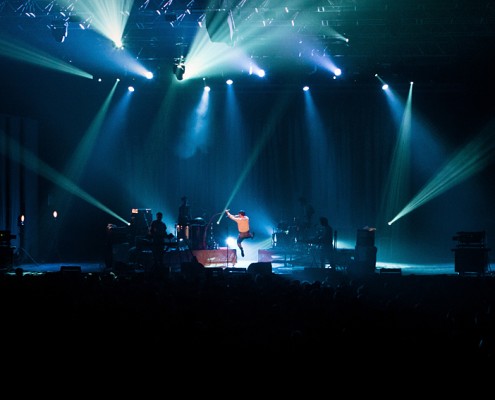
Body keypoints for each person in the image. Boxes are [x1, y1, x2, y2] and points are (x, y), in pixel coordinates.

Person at [148, 211, 169, 277]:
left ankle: (159, 269)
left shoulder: (162, 224)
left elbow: (164, 233)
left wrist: (167, 236)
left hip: (160, 241)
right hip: (156, 241)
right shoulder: (154, 223)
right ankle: (156, 269)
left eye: (160, 216)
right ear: (157, 216)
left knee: (160, 256)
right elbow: (151, 232)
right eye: (158, 216)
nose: (159, 217)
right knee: (156, 256)